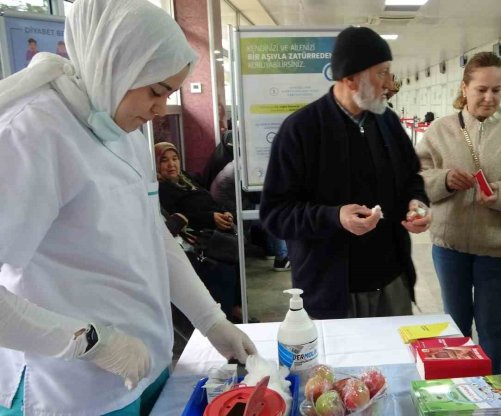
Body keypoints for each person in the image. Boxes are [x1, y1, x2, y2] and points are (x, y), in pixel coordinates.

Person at [0, 1, 257, 414]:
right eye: (156, 91)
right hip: (68, 388)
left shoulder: (122, 124)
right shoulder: (29, 134)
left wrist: (211, 321)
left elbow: (152, 233)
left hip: (142, 364)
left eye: (169, 94)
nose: (160, 109)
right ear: (112, 64)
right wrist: (88, 341)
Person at [260, 26, 431, 319]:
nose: (389, 84)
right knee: (340, 367)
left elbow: (411, 178)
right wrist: (333, 216)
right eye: (382, 73)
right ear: (350, 79)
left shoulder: (387, 122)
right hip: (331, 293)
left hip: (392, 284)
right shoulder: (301, 130)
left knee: (398, 361)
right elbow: (276, 214)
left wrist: (417, 203)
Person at [415, 51, 501, 375]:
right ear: (464, 88)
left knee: (491, 326)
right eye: (481, 89)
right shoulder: (440, 130)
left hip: (498, 248)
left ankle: (496, 399)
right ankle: (457, 394)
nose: (489, 97)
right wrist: (445, 180)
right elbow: (417, 177)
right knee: (456, 325)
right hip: (449, 247)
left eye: (497, 90)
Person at [155, 142, 246, 322]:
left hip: (214, 232)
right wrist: (211, 218)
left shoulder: (187, 179)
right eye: (164, 161)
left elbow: (208, 198)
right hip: (195, 240)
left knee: (236, 256)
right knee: (224, 266)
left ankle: (235, 309)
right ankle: (224, 318)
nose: (171, 164)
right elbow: (179, 216)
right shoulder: (162, 189)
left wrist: (222, 212)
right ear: (156, 165)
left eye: (175, 159)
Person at [210, 161, 291, 271]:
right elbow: (258, 196)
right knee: (274, 217)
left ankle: (271, 250)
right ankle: (281, 259)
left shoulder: (241, 161)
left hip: (226, 203)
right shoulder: (248, 169)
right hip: (228, 209)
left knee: (269, 211)